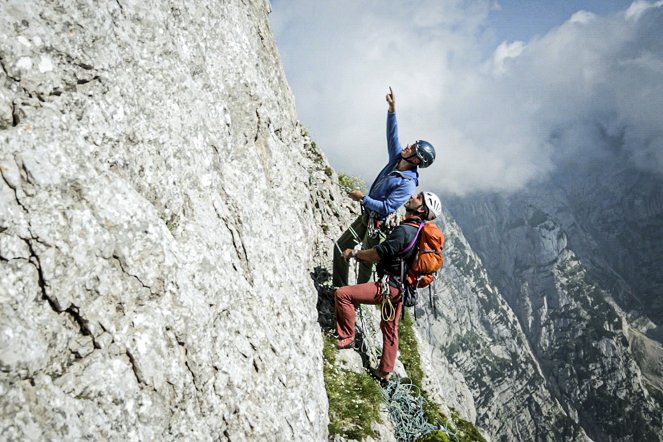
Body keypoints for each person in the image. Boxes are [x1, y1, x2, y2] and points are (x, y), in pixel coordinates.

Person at [332, 87, 436, 287]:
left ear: (416, 159)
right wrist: (392, 110)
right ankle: (340, 288)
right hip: (368, 217)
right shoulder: (398, 160)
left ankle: (355, 298)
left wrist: (363, 198)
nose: (408, 146)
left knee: (364, 260)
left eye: (413, 148)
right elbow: (392, 136)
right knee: (340, 247)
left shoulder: (407, 184)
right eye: (412, 145)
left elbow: (388, 208)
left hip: (376, 223)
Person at [334, 191, 442, 381]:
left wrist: (354, 254)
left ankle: (347, 337)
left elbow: (379, 253)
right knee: (390, 327)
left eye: (418, 197)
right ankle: (385, 371)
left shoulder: (405, 230)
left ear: (422, 208)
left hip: (388, 287)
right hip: (401, 288)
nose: (412, 197)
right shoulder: (417, 229)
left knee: (343, 295)